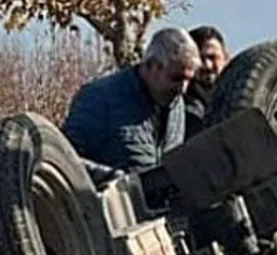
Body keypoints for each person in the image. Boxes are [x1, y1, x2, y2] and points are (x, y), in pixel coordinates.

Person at [62, 27, 199, 172]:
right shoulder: (98, 98)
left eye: (188, 80)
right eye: (176, 78)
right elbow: (66, 160)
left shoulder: (176, 105)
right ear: (151, 65)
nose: (183, 89)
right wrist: (113, 178)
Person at [183, 26, 230, 139]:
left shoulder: (237, 101)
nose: (207, 65)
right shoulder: (178, 110)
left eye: (212, 57)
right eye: (200, 59)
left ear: (226, 59)